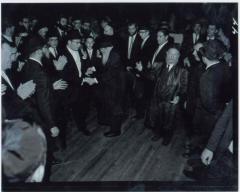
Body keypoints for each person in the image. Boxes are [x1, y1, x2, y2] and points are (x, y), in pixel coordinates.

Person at [191, 39, 232, 152]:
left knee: (203, 142)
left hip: (208, 117)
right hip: (221, 112)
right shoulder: (224, 66)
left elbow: (208, 103)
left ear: (204, 57)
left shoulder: (207, 76)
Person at [148, 47, 188, 145]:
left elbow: (184, 87)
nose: (171, 57)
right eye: (170, 54)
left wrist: (179, 96)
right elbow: (151, 78)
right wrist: (143, 70)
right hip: (157, 98)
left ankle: (167, 137)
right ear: (166, 55)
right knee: (157, 117)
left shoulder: (182, 71)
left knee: (169, 120)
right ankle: (157, 133)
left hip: (171, 100)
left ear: (178, 57)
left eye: (175, 55)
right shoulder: (158, 66)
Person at [61, 30, 97, 136]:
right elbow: (66, 75)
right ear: (69, 42)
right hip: (71, 88)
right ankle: (80, 127)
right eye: (76, 42)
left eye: (79, 42)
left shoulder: (80, 50)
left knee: (84, 107)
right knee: (75, 108)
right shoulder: (63, 55)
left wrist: (86, 70)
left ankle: (81, 124)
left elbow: (82, 65)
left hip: (82, 84)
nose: (79, 45)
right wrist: (83, 79)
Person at [96, 40, 125, 137]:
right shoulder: (109, 54)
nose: (102, 51)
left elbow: (109, 73)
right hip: (111, 86)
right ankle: (112, 125)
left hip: (116, 87)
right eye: (101, 49)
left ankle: (115, 130)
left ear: (109, 47)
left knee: (116, 108)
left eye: (103, 49)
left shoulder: (114, 55)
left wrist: (96, 79)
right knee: (112, 107)